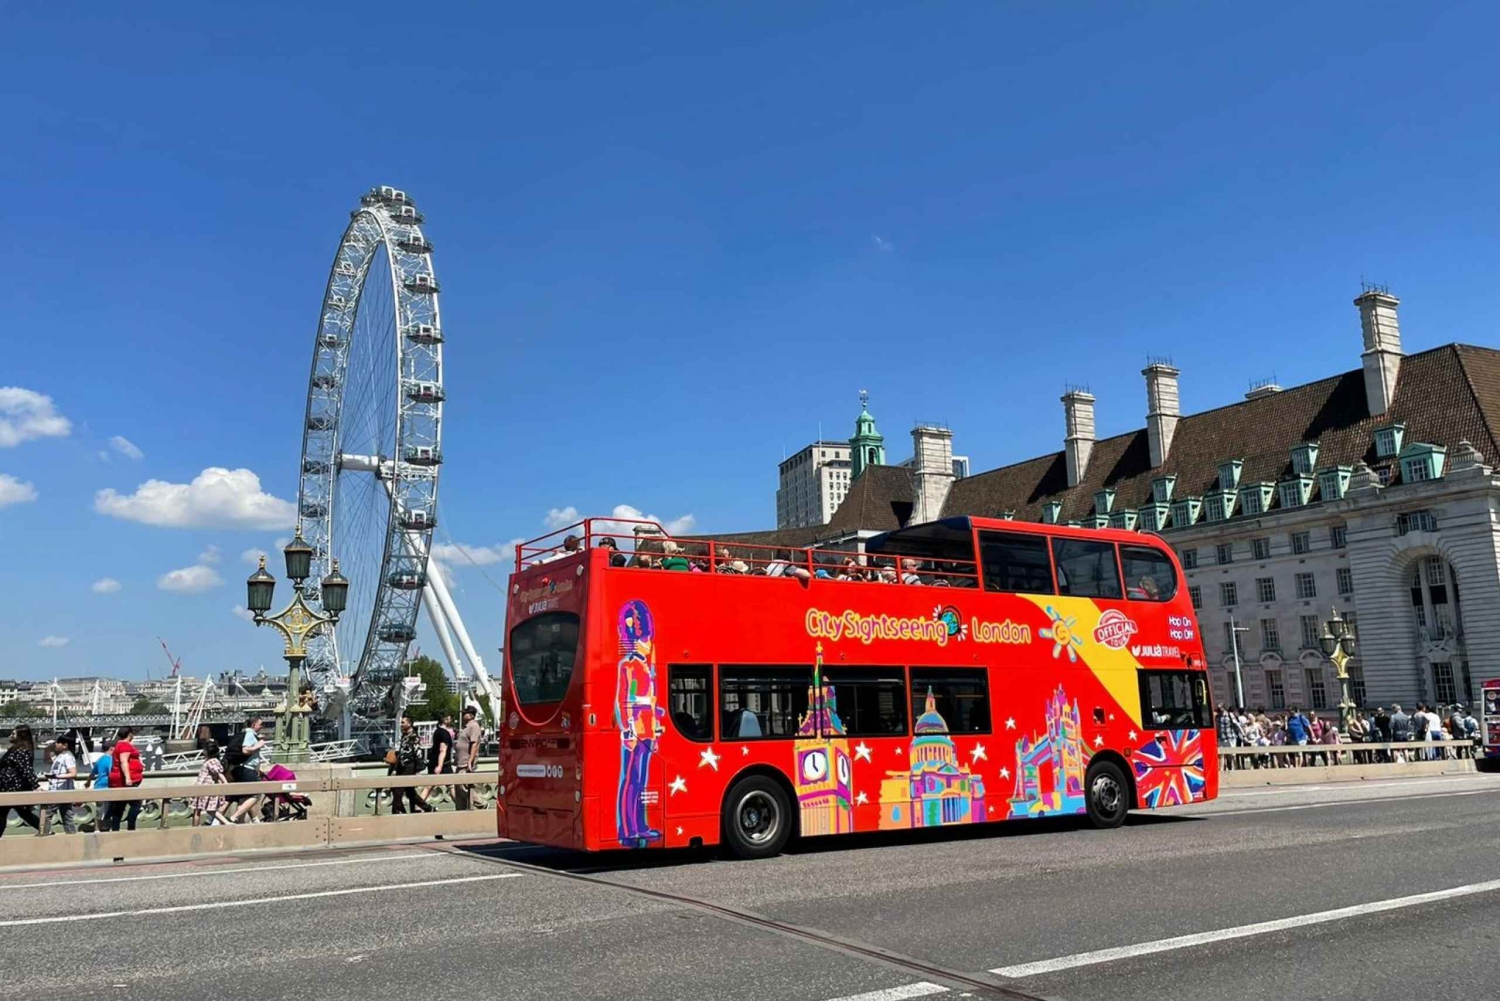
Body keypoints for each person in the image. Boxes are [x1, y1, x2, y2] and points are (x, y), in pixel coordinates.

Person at [0, 725, 41, 837]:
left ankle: (45, 830)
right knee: (23, 813)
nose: (10, 736)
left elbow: (27, 769)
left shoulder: (22, 751)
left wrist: (36, 785)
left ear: (20, 736)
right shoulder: (15, 750)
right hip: (7, 788)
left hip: (14, 788)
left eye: (13, 734)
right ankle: (45, 830)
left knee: (4, 814)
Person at [389, 715, 432, 814]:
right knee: (410, 793)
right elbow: (400, 753)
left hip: (409, 767)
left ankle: (398, 813)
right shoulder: (404, 737)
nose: (401, 724)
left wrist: (417, 770)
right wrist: (395, 769)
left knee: (398, 792)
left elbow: (418, 754)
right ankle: (428, 808)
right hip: (401, 766)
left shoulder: (414, 737)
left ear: (409, 723)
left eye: (403, 722)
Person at [229, 717, 268, 824]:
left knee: (245, 798)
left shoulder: (243, 733)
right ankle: (234, 817)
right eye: (260, 724)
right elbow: (245, 750)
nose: (261, 726)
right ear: (253, 725)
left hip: (239, 768)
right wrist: (258, 745)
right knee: (256, 794)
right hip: (247, 769)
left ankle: (247, 823)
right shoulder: (250, 734)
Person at [105, 727, 144, 832]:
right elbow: (123, 761)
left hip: (118, 779)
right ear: (130, 734)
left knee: (119, 807)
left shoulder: (118, 744)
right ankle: (131, 827)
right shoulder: (124, 745)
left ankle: (115, 830)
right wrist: (128, 778)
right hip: (124, 781)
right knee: (136, 804)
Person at [44, 734, 78, 834]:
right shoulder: (60, 756)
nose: (56, 745)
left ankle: (44, 834)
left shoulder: (68, 757)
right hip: (58, 790)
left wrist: (56, 777)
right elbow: (48, 760)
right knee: (67, 816)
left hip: (61, 790)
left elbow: (73, 773)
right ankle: (72, 837)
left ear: (65, 745)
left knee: (46, 815)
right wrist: (47, 750)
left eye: (58, 743)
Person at [190, 742, 231, 827]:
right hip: (204, 787)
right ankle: (226, 823)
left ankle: (194, 828)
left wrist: (226, 784)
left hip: (204, 787)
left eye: (204, 750)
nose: (203, 751)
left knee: (198, 810)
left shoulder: (211, 762)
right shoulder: (213, 761)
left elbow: (219, 773)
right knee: (208, 810)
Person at [420, 713, 454, 804]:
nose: (450, 720)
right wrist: (439, 766)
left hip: (433, 762)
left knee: (429, 786)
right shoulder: (445, 734)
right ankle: (461, 806)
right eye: (449, 718)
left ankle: (418, 805)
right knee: (452, 786)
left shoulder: (437, 732)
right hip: (444, 764)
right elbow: (442, 750)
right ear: (444, 720)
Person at [454, 706, 482, 810]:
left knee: (464, 788)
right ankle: (460, 813)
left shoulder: (474, 726)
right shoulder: (466, 727)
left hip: (466, 763)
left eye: (464, 713)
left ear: (471, 715)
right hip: (460, 763)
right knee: (459, 791)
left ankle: (482, 805)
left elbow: (474, 744)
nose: (462, 714)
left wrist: (470, 761)